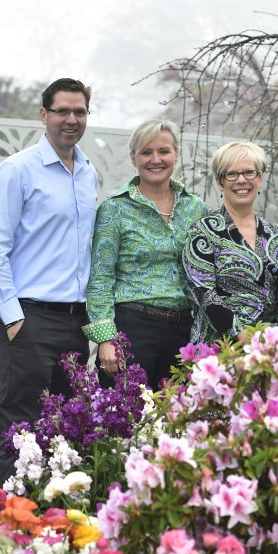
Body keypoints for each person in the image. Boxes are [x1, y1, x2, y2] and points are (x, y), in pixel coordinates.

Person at [0, 78, 98, 485]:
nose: (71, 119)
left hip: (75, 322)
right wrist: (13, 318)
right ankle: (9, 528)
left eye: (79, 111)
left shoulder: (87, 172)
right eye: (62, 111)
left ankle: (53, 529)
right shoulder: (16, 171)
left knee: (66, 430)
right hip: (29, 321)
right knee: (21, 431)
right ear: (43, 114)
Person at [82, 120, 207, 388]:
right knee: (126, 421)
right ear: (134, 158)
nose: (156, 160)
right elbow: (100, 278)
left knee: (178, 421)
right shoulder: (115, 209)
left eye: (164, 151)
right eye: (146, 152)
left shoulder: (196, 208)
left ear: (176, 154)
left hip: (184, 333)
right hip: (133, 329)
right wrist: (106, 339)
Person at [182, 142, 278, 343]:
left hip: (270, 353)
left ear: (259, 179)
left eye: (249, 173)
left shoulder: (277, 234)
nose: (241, 180)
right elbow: (205, 295)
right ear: (220, 182)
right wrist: (245, 338)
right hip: (218, 352)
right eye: (231, 174)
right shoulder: (202, 232)